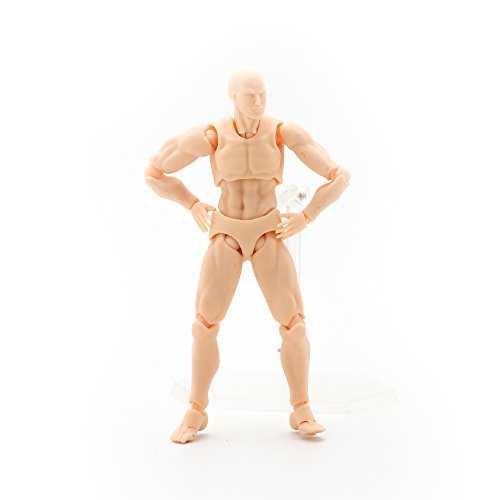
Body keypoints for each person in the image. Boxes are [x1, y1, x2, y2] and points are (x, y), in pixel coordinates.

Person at [145, 71, 350, 444]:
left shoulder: (283, 133)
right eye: (250, 95)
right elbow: (154, 172)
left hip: (268, 232)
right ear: (233, 97)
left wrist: (307, 216)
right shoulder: (211, 135)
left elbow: (340, 176)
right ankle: (196, 410)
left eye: (262, 93)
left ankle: (302, 408)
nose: (258, 101)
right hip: (226, 233)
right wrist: (191, 203)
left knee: (294, 324)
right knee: (205, 324)